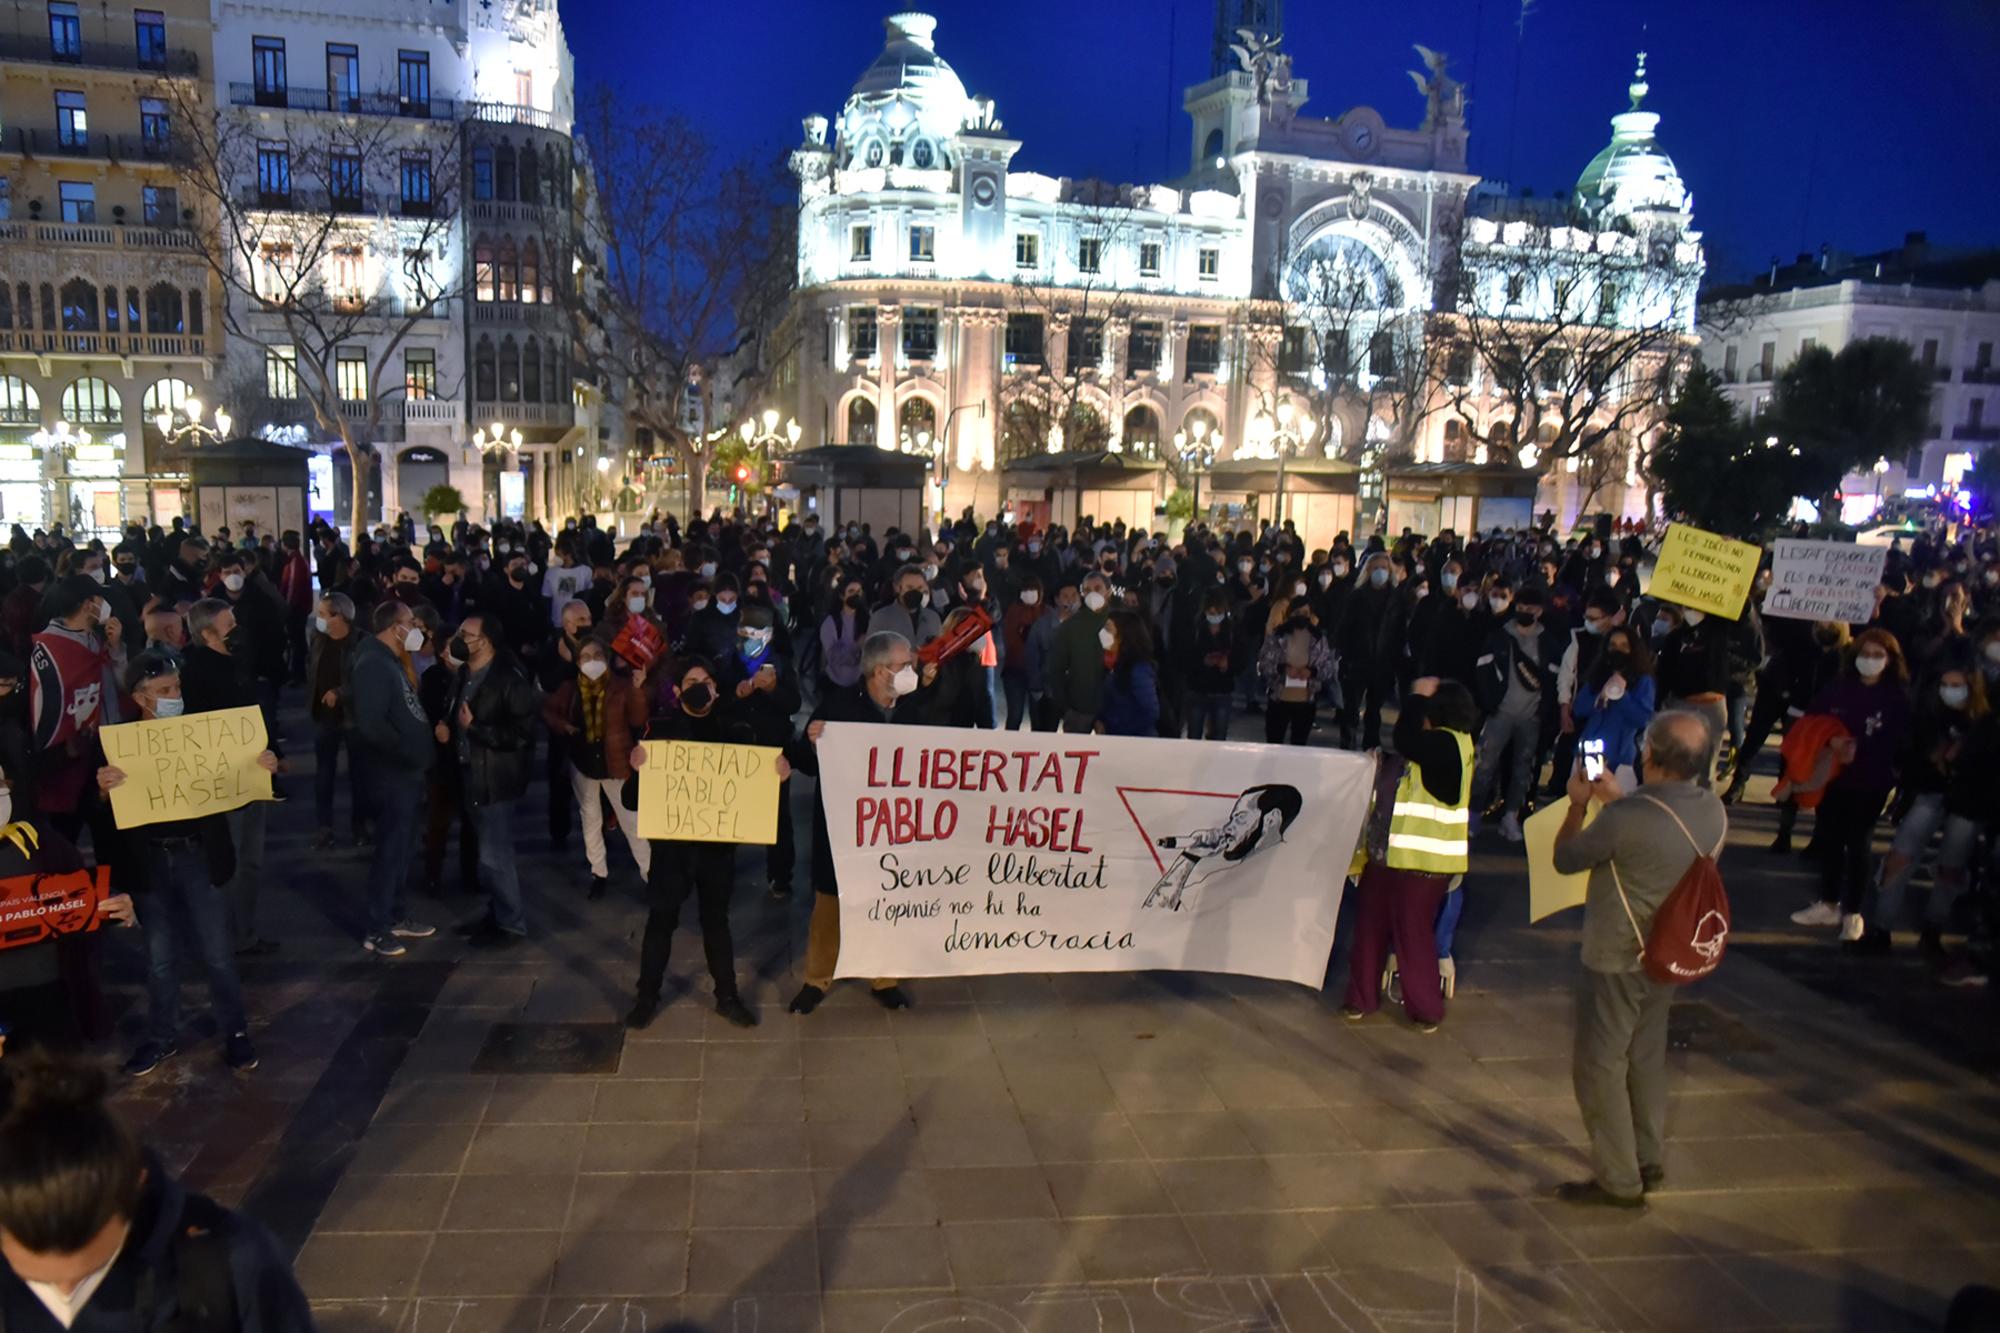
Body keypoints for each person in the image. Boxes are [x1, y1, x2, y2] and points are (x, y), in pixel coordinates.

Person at [0, 1054, 316, 1331]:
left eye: (91, 1274)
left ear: (133, 1186)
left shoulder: (232, 1262)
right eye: (37, 1282)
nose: (67, 1297)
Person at [1551, 711, 1726, 1207]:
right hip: (1670, 953)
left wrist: (1578, 806)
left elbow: (1567, 858)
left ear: (1649, 753)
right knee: (1646, 1056)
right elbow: (1659, 834)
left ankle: (1619, 1179)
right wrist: (1620, 801)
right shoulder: (1713, 810)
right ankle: (1648, 1159)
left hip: (1618, 955)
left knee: (1599, 1064)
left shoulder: (1626, 818)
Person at [99, 653, 275, 1077]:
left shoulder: (206, 734)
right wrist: (104, 791)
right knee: (160, 957)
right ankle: (161, 1035)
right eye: (164, 691)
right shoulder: (118, 744)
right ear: (140, 697)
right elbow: (104, 816)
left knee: (218, 953)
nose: (175, 696)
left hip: (198, 853)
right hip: (149, 862)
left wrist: (261, 764)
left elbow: (238, 775)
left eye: (177, 688)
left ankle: (234, 1032)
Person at [622, 658, 790, 1030]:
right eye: (692, 680)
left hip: (716, 849)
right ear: (678, 690)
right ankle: (646, 996)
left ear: (717, 688)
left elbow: (755, 789)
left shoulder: (735, 728)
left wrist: (776, 775)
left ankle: (727, 996)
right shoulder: (660, 729)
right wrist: (637, 770)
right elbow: (632, 799)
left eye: (708, 680)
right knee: (661, 922)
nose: (701, 686)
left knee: (716, 922)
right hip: (672, 849)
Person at [785, 631, 934, 1015]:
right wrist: (811, 740)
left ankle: (884, 978)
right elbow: (802, 760)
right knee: (830, 906)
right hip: (843, 829)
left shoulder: (913, 709)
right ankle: (817, 979)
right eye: (904, 665)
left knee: (885, 901)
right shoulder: (837, 707)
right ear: (880, 671)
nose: (911, 672)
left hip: (893, 829)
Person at [1341, 677, 1478, 1033]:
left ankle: (1423, 1008)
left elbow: (1406, 739)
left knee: (1410, 936)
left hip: (1420, 866)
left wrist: (1416, 696)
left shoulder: (1447, 743)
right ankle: (1362, 997)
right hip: (1392, 859)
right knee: (1371, 929)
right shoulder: (1446, 746)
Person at [1787, 628, 1912, 942]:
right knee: (1829, 838)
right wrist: (1831, 740)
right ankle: (1828, 903)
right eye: (1864, 654)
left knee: (1859, 844)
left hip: (1872, 780)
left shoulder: (1898, 696)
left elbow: (1904, 740)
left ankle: (1853, 912)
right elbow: (1811, 722)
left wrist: (1870, 753)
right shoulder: (1839, 689)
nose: (1869, 661)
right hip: (1834, 776)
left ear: (1890, 659)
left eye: (1877, 655)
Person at [179, 599, 278, 958]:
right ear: (208, 633)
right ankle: (223, 936)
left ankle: (244, 932)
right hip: (222, 779)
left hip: (253, 773)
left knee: (250, 859)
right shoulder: (192, 672)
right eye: (228, 623)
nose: (236, 628)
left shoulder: (235, 661)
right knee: (228, 860)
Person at [348, 601, 439, 958]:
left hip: (407, 771)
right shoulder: (374, 664)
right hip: (392, 773)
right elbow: (372, 724)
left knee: (402, 849)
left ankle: (396, 913)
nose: (414, 628)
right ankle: (378, 926)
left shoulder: (389, 660)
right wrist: (406, 752)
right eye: (408, 622)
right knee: (390, 850)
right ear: (393, 627)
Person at [444, 614, 539, 946]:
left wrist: (476, 730)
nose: (458, 638)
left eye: (465, 634)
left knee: (494, 855)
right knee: (486, 854)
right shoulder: (465, 673)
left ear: (485, 642)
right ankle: (498, 912)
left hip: (496, 778)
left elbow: (523, 734)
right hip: (471, 773)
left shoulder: (508, 679)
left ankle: (511, 923)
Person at [543, 637, 650, 899]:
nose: (592, 662)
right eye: (586, 657)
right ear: (578, 662)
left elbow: (638, 718)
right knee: (590, 819)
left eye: (597, 656)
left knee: (632, 823)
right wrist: (565, 727)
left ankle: (651, 875)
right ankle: (598, 872)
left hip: (616, 764)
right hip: (584, 764)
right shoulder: (571, 689)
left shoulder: (622, 687)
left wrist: (637, 689)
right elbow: (547, 711)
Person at [1470, 583, 1557, 842]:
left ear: (1539, 611)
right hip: (1500, 713)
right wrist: (1489, 702)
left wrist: (1545, 711)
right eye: (1520, 607)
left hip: (1531, 717)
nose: (1524, 612)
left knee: (1523, 770)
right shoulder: (1499, 637)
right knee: (1484, 766)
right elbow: (1482, 671)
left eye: (1529, 608)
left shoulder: (1548, 643)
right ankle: (1472, 816)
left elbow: (1553, 680)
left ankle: (1511, 817)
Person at [306, 593, 364, 850]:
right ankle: (324, 826)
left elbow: (366, 679)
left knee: (359, 775)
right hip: (324, 718)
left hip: (354, 717)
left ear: (340, 616)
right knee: (324, 775)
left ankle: (360, 825)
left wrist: (341, 693)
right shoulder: (318, 640)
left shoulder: (361, 643)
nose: (318, 619)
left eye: (323, 613)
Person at [1571, 627, 1656, 787]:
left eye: (1624, 646)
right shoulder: (1598, 675)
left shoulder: (1642, 681)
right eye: (1613, 645)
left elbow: (1643, 719)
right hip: (1588, 752)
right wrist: (1600, 698)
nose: (1618, 650)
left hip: (1621, 758)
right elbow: (1579, 709)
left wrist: (1622, 696)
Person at [1256, 595, 1335, 745]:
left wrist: (1312, 672)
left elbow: (1329, 666)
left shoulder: (1318, 639)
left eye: (1305, 614)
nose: (1302, 617)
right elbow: (1263, 663)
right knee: (1274, 742)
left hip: (1305, 700)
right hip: (1279, 698)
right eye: (1297, 613)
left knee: (1299, 744)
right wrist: (1281, 669)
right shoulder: (1277, 636)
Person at [1045, 571, 1113, 733]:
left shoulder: (1120, 622)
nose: (1092, 594)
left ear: (1108, 591)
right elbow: (1056, 669)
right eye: (1087, 590)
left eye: (1098, 588)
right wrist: (1065, 708)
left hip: (1113, 709)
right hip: (1078, 710)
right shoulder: (1070, 627)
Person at [1095, 609, 1159, 737]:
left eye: (1108, 629)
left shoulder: (1138, 669)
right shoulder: (1110, 664)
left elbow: (1150, 712)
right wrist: (1100, 720)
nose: (1103, 633)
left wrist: (1120, 729)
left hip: (1136, 742)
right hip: (1114, 736)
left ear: (1123, 635)